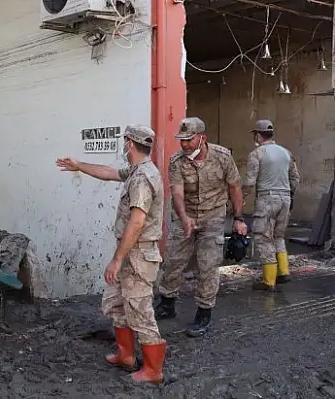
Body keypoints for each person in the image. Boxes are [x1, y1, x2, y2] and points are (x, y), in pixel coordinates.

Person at [56, 125, 166, 384]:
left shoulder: (143, 178)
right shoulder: (137, 171)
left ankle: (153, 371)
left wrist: (117, 259)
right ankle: (126, 356)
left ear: (129, 143)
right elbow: (110, 173)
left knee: (139, 309)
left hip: (138, 255)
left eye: (124, 141)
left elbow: (137, 222)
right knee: (117, 304)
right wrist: (79, 165)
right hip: (130, 252)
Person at [153, 117, 248, 337]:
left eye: (189, 139)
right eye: (182, 140)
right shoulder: (177, 161)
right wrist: (184, 217)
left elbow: (235, 187)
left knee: (208, 265)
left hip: (213, 217)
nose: (184, 144)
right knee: (173, 261)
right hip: (185, 216)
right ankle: (167, 304)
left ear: (202, 138)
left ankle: (204, 313)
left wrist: (239, 218)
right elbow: (177, 191)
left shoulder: (223, 157)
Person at [243, 120, 300, 291]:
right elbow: (295, 179)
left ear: (258, 135)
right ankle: (283, 272)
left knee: (263, 237)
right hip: (285, 199)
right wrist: (289, 194)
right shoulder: (286, 153)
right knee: (279, 236)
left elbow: (250, 182)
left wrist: (239, 196)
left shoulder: (257, 154)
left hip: (267, 200)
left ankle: (268, 281)